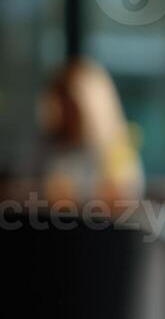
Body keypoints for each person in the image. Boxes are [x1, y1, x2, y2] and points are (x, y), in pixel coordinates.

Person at [35, 57, 143, 208]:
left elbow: (122, 199)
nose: (60, 112)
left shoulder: (115, 152)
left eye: (68, 105)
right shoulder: (55, 150)